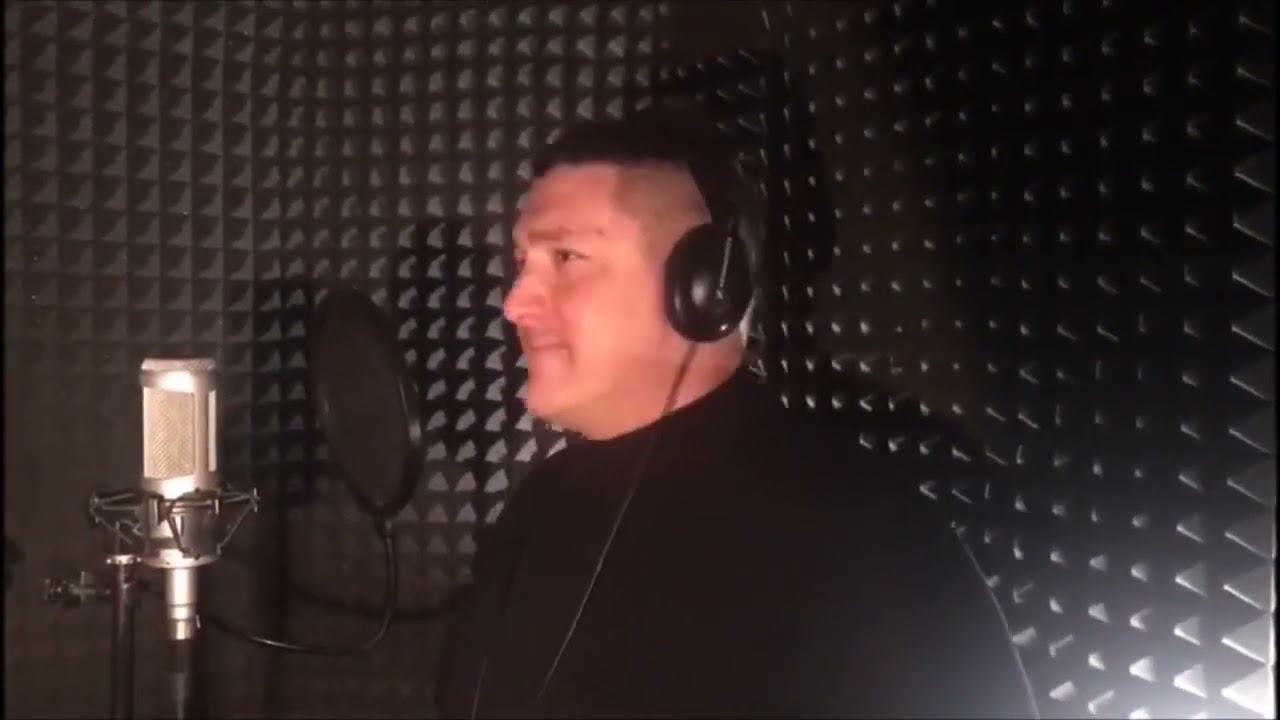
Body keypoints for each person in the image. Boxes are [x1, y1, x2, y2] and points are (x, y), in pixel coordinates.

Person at [433, 105, 1040, 719]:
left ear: (704, 287)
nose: (516, 304)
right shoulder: (539, 508)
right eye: (522, 264)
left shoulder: (859, 532)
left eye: (566, 258)